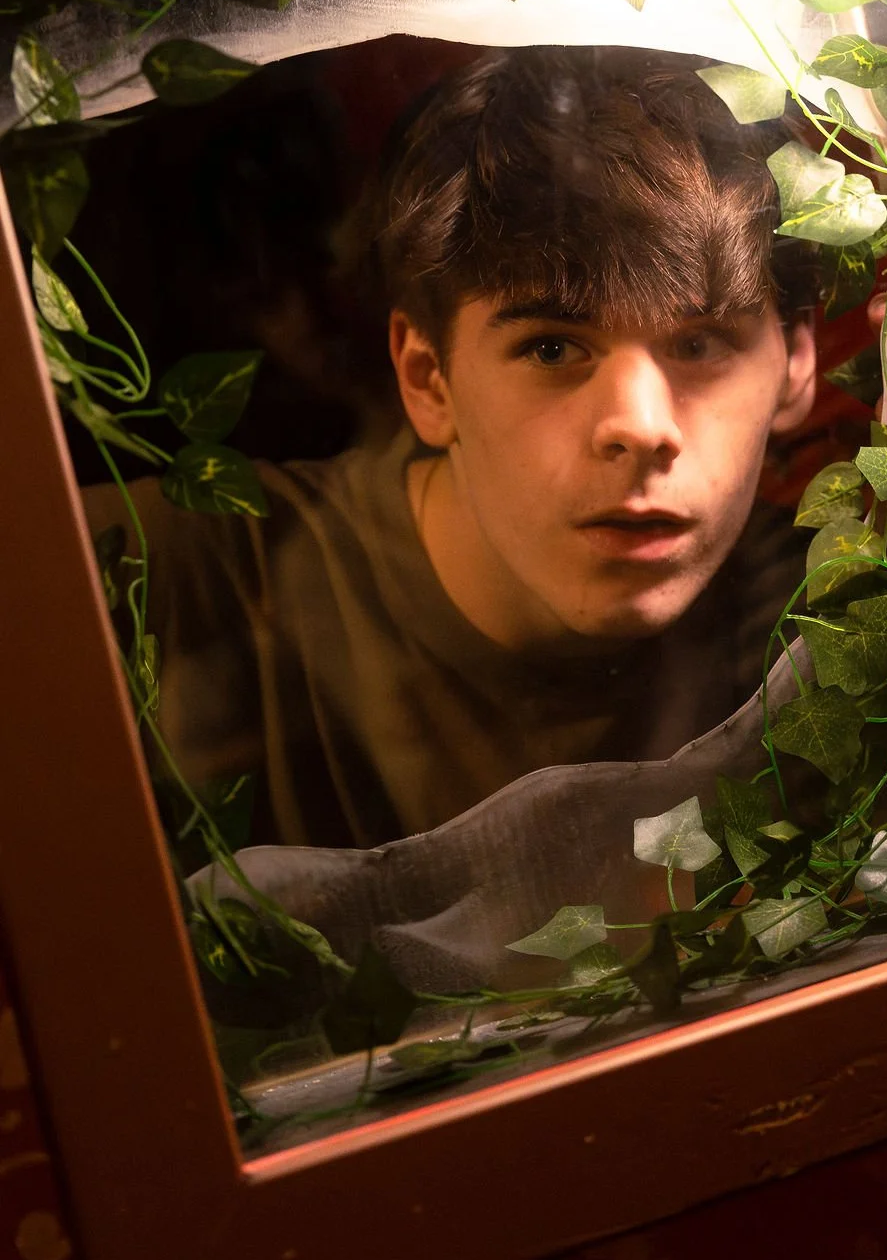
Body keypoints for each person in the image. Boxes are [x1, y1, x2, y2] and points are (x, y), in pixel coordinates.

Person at [83, 45, 820, 853]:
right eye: (551, 348)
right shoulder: (163, 577)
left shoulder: (842, 619)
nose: (641, 427)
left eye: (702, 344)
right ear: (427, 377)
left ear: (796, 366)